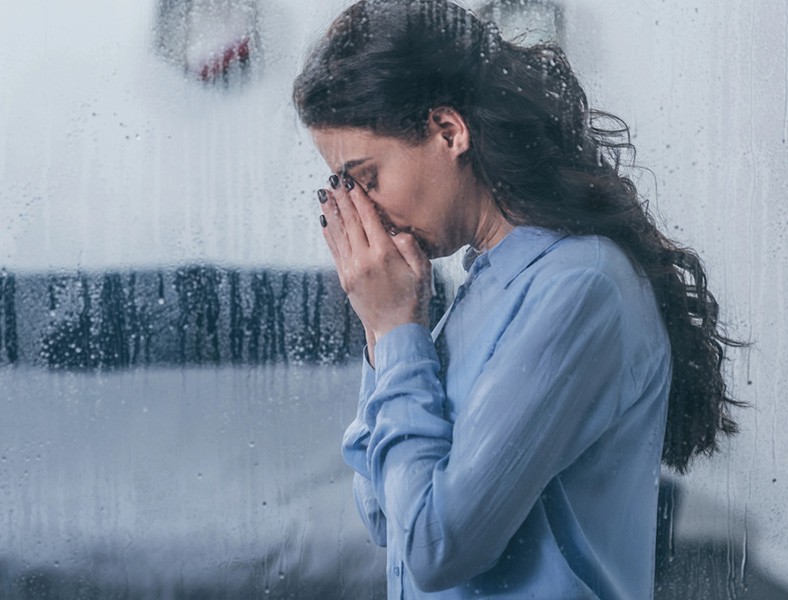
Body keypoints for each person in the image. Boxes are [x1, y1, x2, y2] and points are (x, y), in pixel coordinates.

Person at [293, 0, 743, 598]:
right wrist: (383, 337)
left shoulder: (581, 287)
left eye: (368, 178)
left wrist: (399, 331)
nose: (364, 211)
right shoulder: (480, 284)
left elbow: (435, 548)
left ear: (448, 131)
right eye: (346, 187)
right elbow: (384, 514)